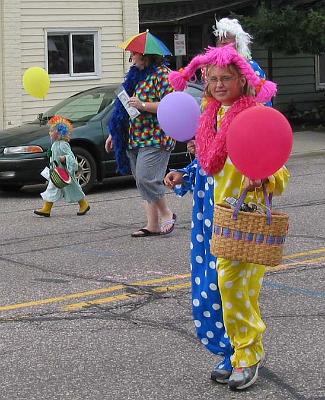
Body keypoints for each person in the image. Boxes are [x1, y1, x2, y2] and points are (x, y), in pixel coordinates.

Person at [168, 44, 289, 390]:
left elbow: (279, 171)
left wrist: (264, 177)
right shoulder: (210, 117)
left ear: (242, 81)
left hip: (241, 219)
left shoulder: (253, 117)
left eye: (227, 78)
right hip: (207, 221)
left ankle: (248, 355)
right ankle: (231, 353)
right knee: (209, 291)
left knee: (235, 290)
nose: (219, 85)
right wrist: (186, 174)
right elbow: (211, 166)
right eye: (213, 79)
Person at [106, 49, 176, 237]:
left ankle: (166, 213)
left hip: (156, 136)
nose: (131, 58)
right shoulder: (134, 76)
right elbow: (123, 109)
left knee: (147, 178)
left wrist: (143, 105)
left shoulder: (163, 75)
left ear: (144, 55)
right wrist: (114, 133)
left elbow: (171, 105)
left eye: (133, 55)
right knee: (141, 182)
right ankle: (152, 225)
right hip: (134, 136)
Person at [34, 115, 90, 217]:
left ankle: (83, 204)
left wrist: (65, 158)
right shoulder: (55, 144)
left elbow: (71, 157)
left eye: (52, 131)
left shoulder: (63, 144)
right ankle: (47, 208)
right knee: (52, 188)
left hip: (64, 172)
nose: (49, 133)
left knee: (73, 189)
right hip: (57, 171)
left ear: (59, 133)